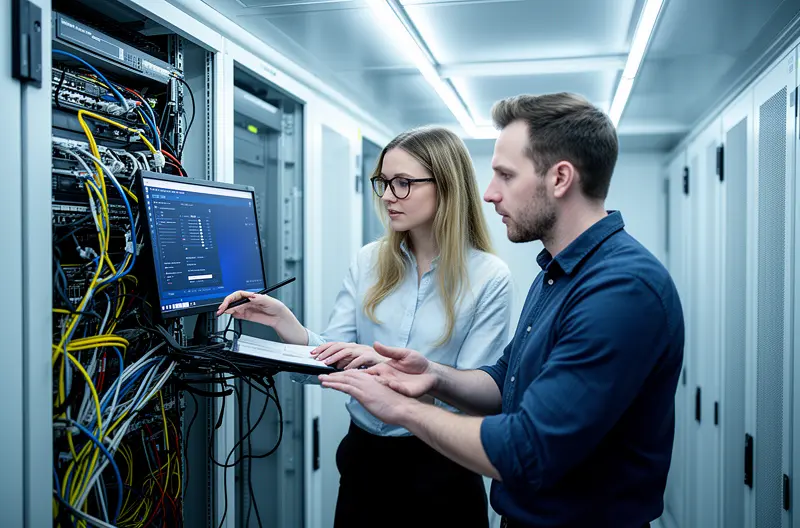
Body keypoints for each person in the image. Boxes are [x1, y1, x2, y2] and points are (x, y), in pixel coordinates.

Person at [318, 93, 685, 528]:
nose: (489, 194)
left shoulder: (621, 290)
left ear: (560, 178)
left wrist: (401, 409)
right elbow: (501, 382)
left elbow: (526, 449)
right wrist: (433, 375)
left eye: (505, 176)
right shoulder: (559, 272)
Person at [217, 126, 513, 528]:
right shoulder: (370, 261)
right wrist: (290, 327)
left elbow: (478, 399)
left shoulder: (488, 276)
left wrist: (385, 369)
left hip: (443, 467)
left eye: (404, 183)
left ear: (446, 185)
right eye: (384, 182)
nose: (389, 195)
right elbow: (335, 361)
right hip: (364, 461)